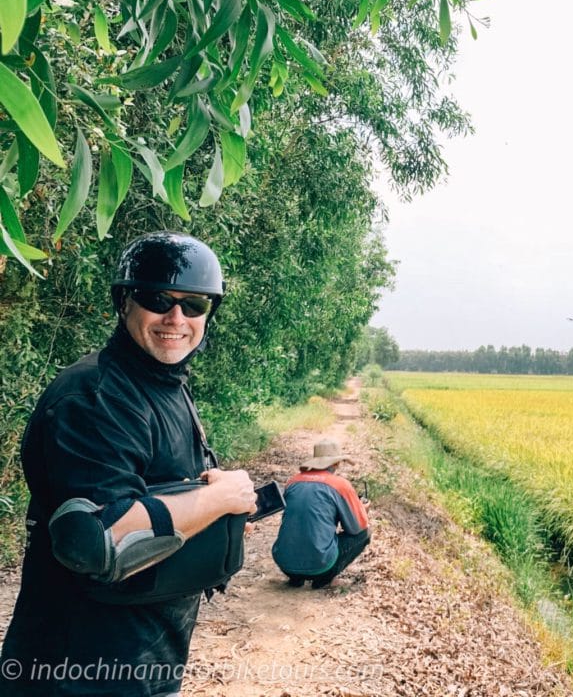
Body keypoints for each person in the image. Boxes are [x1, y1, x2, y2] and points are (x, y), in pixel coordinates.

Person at [0, 232, 257, 697]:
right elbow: (96, 539)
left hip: (145, 659)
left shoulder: (164, 384)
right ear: (124, 302)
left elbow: (161, 488)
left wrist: (213, 497)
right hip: (74, 669)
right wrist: (218, 499)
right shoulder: (94, 397)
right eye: (158, 300)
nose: (176, 318)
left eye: (194, 304)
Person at [272, 440, 370, 589]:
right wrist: (362, 510)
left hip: (285, 564)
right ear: (336, 463)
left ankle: (296, 578)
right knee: (365, 533)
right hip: (321, 565)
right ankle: (325, 579)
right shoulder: (340, 484)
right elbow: (356, 528)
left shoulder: (293, 481)